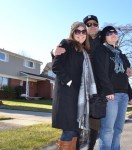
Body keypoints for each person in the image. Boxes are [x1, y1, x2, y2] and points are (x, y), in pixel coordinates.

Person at [52, 21, 97, 150]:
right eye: (78, 31)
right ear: (72, 32)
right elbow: (56, 66)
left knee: (76, 132)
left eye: (84, 31)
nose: (81, 34)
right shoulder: (66, 43)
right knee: (69, 131)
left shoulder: (85, 51)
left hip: (79, 97)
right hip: (67, 95)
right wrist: (70, 82)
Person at [92, 25, 132, 150]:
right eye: (110, 33)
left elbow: (124, 76)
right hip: (111, 95)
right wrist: (107, 90)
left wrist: (130, 95)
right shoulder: (101, 50)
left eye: (115, 32)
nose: (113, 34)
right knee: (107, 129)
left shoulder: (120, 54)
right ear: (105, 37)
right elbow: (100, 72)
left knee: (118, 129)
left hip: (123, 95)